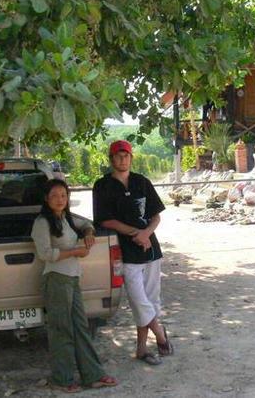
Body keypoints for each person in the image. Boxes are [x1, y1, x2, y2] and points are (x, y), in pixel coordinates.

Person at [31, 179, 118, 392]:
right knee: (61, 329)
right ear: (46, 199)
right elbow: (45, 254)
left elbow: (87, 224)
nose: (60, 200)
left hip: (72, 278)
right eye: (54, 196)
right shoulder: (43, 222)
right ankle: (62, 379)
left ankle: (93, 374)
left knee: (80, 327)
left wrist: (88, 234)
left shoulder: (67, 218)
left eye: (63, 195)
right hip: (57, 279)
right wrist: (75, 252)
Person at [93, 140, 174, 366]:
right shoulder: (102, 186)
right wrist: (135, 233)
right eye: (118, 156)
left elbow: (156, 215)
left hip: (150, 250)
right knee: (139, 300)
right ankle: (160, 334)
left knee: (151, 299)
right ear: (111, 159)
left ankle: (141, 349)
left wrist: (146, 234)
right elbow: (105, 220)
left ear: (131, 158)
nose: (122, 160)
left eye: (126, 156)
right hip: (125, 252)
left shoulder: (142, 182)